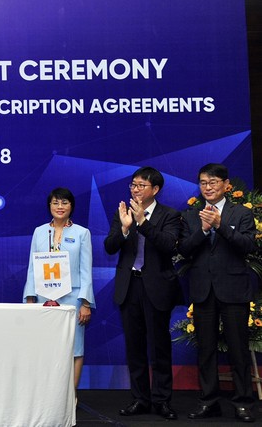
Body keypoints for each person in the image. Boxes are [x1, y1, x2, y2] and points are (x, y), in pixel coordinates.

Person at [179, 163, 257, 423]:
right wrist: (203, 230)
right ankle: (209, 401)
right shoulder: (191, 215)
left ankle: (243, 403)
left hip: (233, 290)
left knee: (238, 350)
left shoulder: (241, 213)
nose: (208, 187)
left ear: (226, 185)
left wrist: (221, 225)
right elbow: (184, 249)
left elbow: (248, 246)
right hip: (203, 290)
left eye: (213, 182)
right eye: (203, 183)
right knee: (206, 350)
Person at [104, 166, 182, 420]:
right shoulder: (123, 213)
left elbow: (169, 245)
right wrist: (125, 228)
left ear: (155, 189)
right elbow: (109, 246)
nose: (135, 189)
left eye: (141, 185)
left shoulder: (170, 215)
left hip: (157, 287)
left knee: (159, 347)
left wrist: (143, 223)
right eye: (133, 185)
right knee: (134, 346)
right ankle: (140, 399)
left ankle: (162, 400)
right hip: (130, 287)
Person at [23, 188, 94, 395]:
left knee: (75, 348)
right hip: (43, 297)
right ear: (49, 206)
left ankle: (70, 396)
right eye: (55, 202)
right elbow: (32, 267)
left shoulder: (82, 233)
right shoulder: (39, 231)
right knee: (44, 346)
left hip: (73, 298)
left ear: (71, 206)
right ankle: (47, 395)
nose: (60, 207)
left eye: (64, 202)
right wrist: (30, 298)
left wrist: (86, 302)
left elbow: (86, 270)